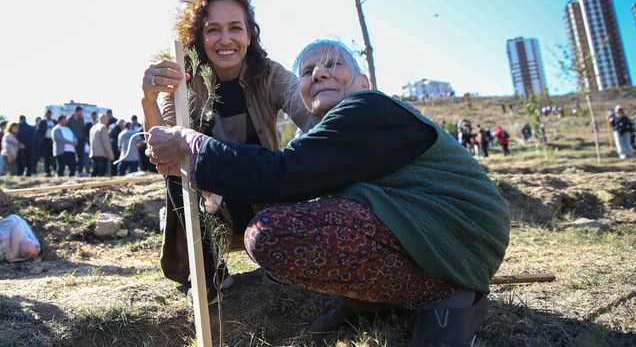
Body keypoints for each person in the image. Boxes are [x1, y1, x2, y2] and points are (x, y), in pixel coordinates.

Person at [147, 40, 510, 345]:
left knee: (272, 234)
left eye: (333, 64)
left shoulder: (370, 107)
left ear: (363, 82)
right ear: (302, 93)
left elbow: (281, 175)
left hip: (458, 237)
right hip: (424, 231)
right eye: (307, 72)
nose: (318, 73)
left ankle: (446, 294)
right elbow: (276, 178)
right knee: (268, 200)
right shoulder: (328, 134)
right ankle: (372, 298)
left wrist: (188, 141)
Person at [140, 0, 315, 302]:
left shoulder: (270, 75)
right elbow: (163, 156)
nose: (225, 39)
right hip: (210, 205)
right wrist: (148, 99)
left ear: (249, 35)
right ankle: (207, 277)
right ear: (199, 37)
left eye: (235, 27)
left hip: (264, 197)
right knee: (180, 172)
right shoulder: (183, 83)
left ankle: (276, 255)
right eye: (213, 29)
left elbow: (311, 116)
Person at [67, 106, 86, 175]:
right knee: (72, 157)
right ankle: (72, 171)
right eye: (80, 112)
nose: (81, 113)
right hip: (72, 141)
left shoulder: (82, 119)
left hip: (81, 140)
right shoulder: (69, 119)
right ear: (76, 112)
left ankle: (80, 171)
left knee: (81, 156)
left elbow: (83, 129)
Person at [37, 110, 57, 177]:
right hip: (45, 141)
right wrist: (46, 128)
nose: (48, 115)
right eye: (47, 114)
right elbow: (38, 131)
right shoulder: (42, 122)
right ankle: (47, 171)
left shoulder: (54, 122)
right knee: (46, 157)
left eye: (49, 114)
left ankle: (55, 170)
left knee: (54, 156)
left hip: (53, 141)